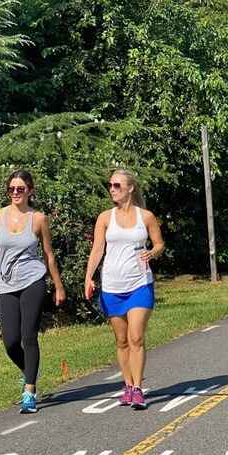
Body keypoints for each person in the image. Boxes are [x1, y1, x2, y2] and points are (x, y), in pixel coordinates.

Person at [0, 169, 66, 414]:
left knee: (28, 335)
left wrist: (58, 285)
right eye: (11, 189)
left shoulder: (37, 219)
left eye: (20, 189)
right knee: (11, 342)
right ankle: (30, 371)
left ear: (30, 191)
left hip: (32, 280)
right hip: (6, 285)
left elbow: (48, 255)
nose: (15, 193)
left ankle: (29, 391)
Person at [84, 169, 164, 410]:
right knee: (121, 340)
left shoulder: (146, 217)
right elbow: (97, 249)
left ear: (130, 188)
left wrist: (153, 251)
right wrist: (88, 277)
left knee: (136, 337)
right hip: (111, 285)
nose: (112, 189)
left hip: (139, 283)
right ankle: (127, 386)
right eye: (110, 185)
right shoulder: (105, 218)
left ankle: (138, 389)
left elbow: (159, 243)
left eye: (117, 185)